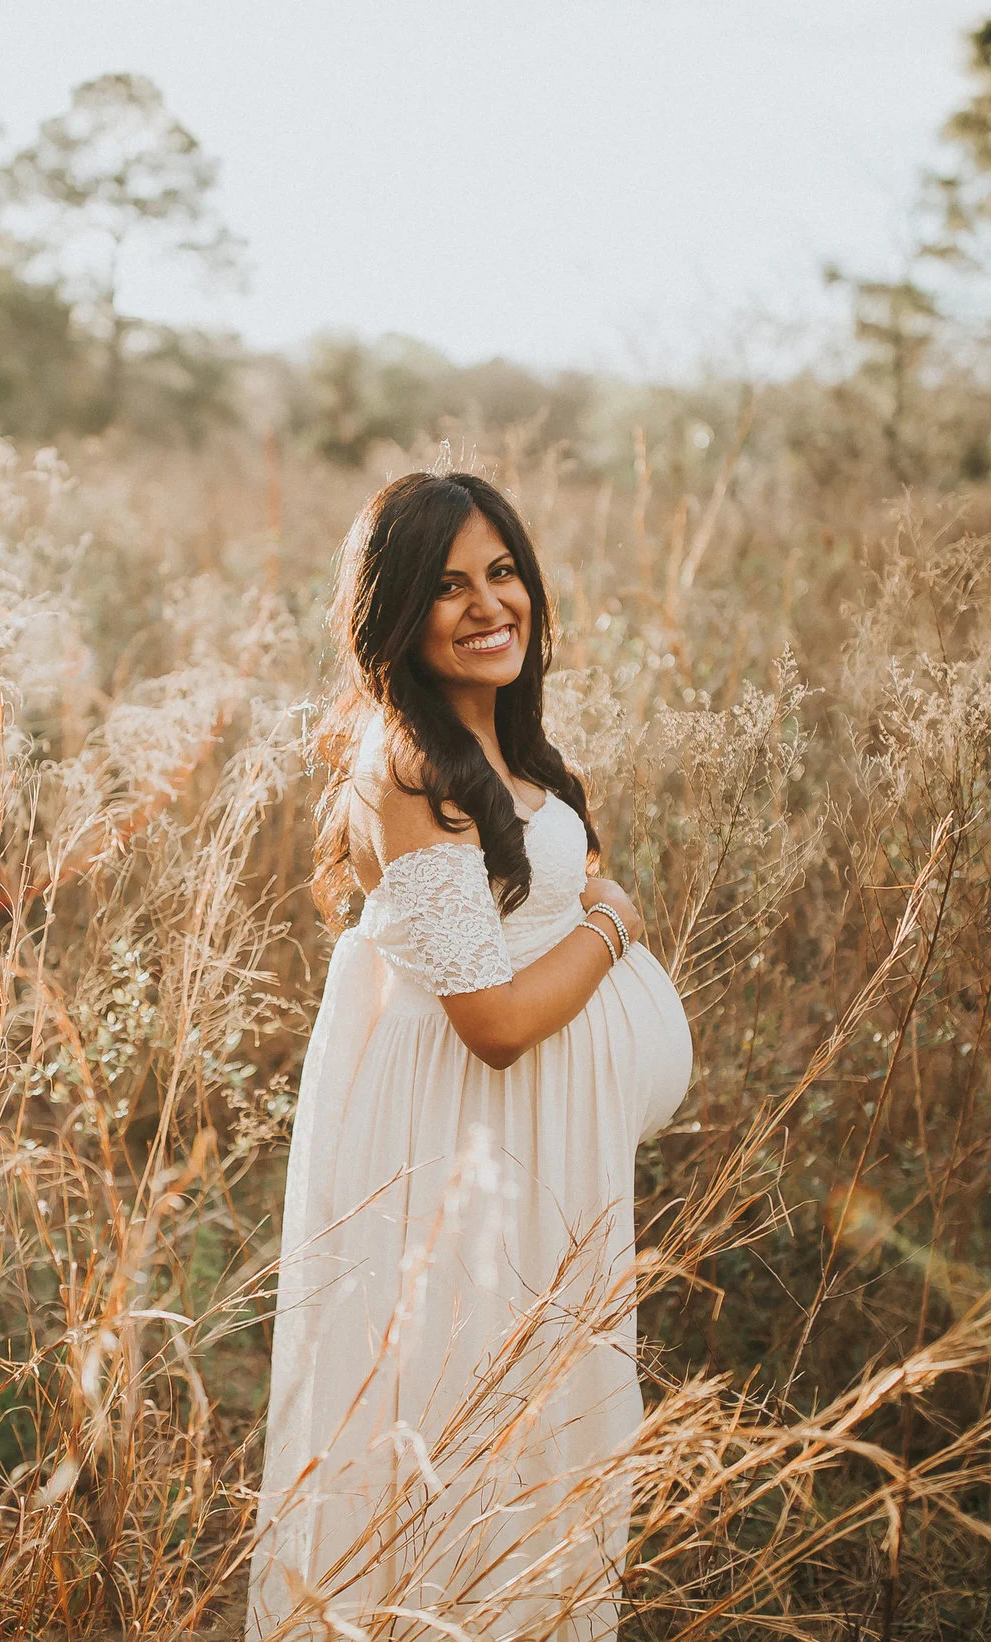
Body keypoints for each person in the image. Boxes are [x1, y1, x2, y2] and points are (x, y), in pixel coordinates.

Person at [246, 470, 693, 1640]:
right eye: (447, 585)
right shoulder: (407, 764)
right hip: (462, 1138)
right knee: (453, 1400)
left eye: (501, 573)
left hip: (537, 1146)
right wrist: (612, 923)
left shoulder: (509, 751)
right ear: (396, 612)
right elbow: (490, 1022)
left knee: (531, 1402)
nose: (488, 603)